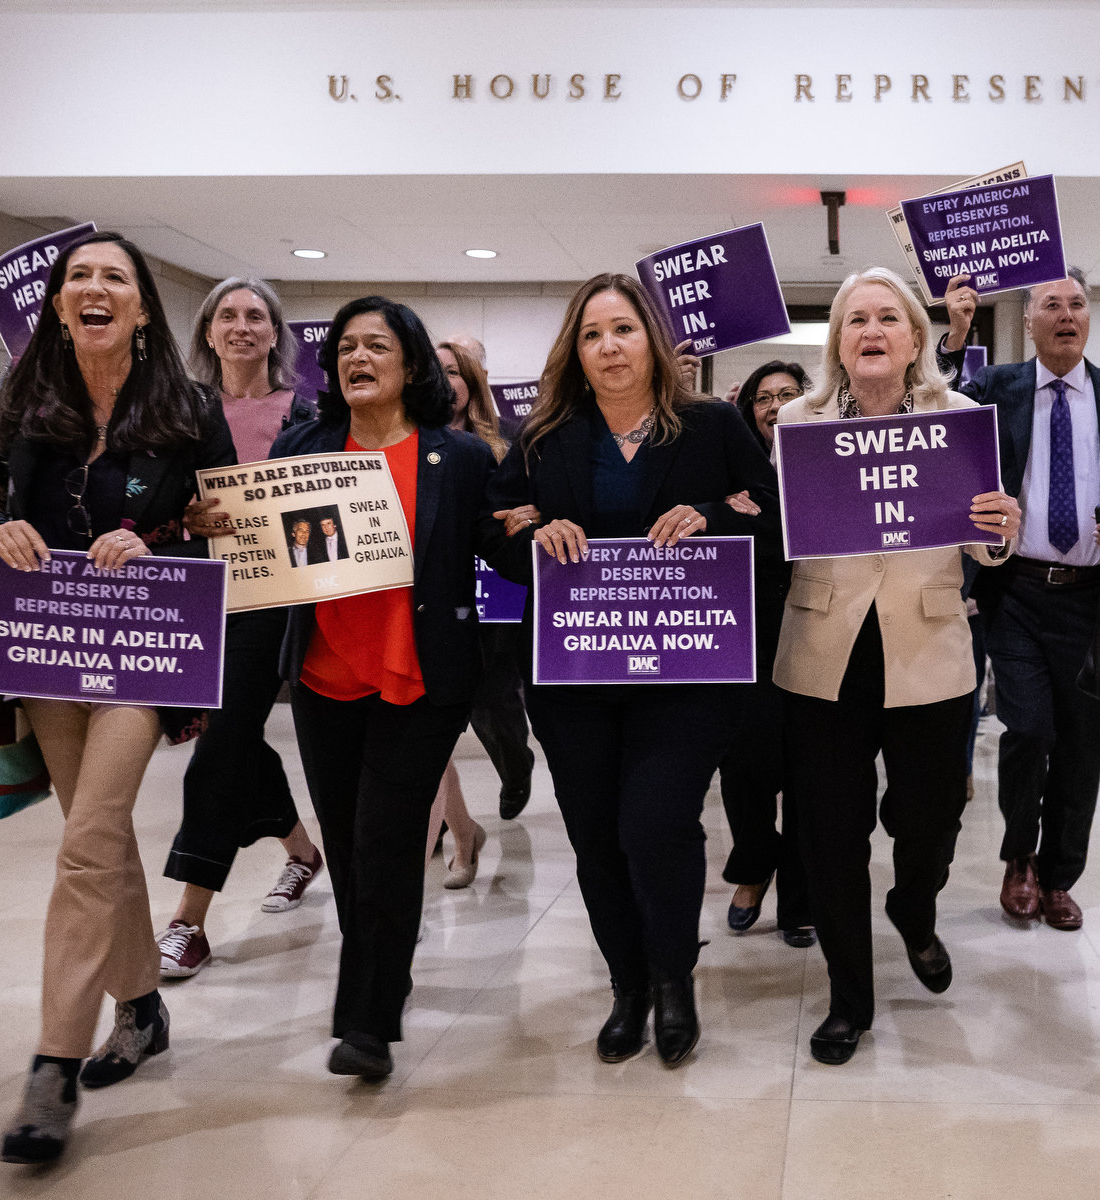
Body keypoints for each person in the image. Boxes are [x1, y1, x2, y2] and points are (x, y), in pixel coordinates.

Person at [0, 231, 237, 1163]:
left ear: (143, 308)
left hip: (145, 653)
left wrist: (163, 546)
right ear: (60, 303)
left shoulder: (191, 408)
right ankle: (142, 1007)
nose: (95, 287)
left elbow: (235, 527)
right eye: (79, 277)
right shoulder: (24, 394)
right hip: (44, 650)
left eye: (114, 276)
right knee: (98, 843)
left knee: (84, 849)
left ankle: (52, 1066)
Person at [483, 274, 780, 1068]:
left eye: (622, 329)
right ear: (575, 352)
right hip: (573, 674)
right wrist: (536, 535)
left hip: (687, 673)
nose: (608, 347)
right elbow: (499, 522)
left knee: (656, 822)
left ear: (652, 339)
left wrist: (712, 518)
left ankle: (674, 978)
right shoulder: (546, 436)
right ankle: (628, 986)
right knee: (594, 834)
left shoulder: (712, 426)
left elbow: (776, 512)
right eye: (591, 335)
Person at [775, 267, 1021, 1065]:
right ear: (838, 343)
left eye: (888, 317)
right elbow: (780, 531)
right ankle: (851, 995)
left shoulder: (961, 419)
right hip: (824, 654)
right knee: (830, 833)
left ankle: (914, 910)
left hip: (930, 651)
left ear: (916, 337)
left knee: (930, 822)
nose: (871, 330)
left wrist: (1001, 523)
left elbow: (988, 542)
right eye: (855, 320)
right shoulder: (797, 422)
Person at [267, 295, 505, 1080]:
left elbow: (492, 543)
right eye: (344, 348)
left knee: (386, 841)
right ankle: (381, 982)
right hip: (324, 678)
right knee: (348, 847)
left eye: (375, 345)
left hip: (421, 678)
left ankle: (366, 1020)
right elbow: (266, 552)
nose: (356, 358)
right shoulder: (303, 445)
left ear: (410, 364)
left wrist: (536, 529)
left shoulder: (459, 457)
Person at [938, 267, 1100, 930]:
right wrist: (956, 334)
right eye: (1051, 303)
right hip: (1016, 592)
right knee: (1027, 729)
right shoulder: (996, 388)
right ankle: (1018, 859)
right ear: (1029, 319)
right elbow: (935, 414)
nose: (1066, 313)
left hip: (1092, 601)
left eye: (1077, 304)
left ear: (1089, 318)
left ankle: (1060, 877)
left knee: (1083, 744)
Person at [158, 276, 324, 982]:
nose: (241, 326)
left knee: (222, 742)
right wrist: (181, 518)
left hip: (275, 600)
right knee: (238, 737)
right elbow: (154, 501)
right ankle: (301, 851)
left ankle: (188, 920)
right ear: (208, 331)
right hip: (203, 599)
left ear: (274, 332)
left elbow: (328, 505)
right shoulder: (178, 412)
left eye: (256, 315)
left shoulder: (308, 412)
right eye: (227, 315)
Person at [718, 361, 814, 944]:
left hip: (814, 625)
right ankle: (753, 867)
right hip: (747, 631)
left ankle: (799, 894)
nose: (775, 406)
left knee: (808, 767)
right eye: (763, 397)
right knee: (746, 765)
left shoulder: (832, 450)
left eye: (787, 394)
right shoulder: (727, 465)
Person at [436, 337, 536, 822]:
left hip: (497, 590)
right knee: (447, 707)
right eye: (434, 371)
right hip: (440, 593)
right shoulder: (410, 443)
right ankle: (437, 823)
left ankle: (516, 766)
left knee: (494, 699)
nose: (444, 381)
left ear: (472, 384)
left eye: (454, 372)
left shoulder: (509, 441)